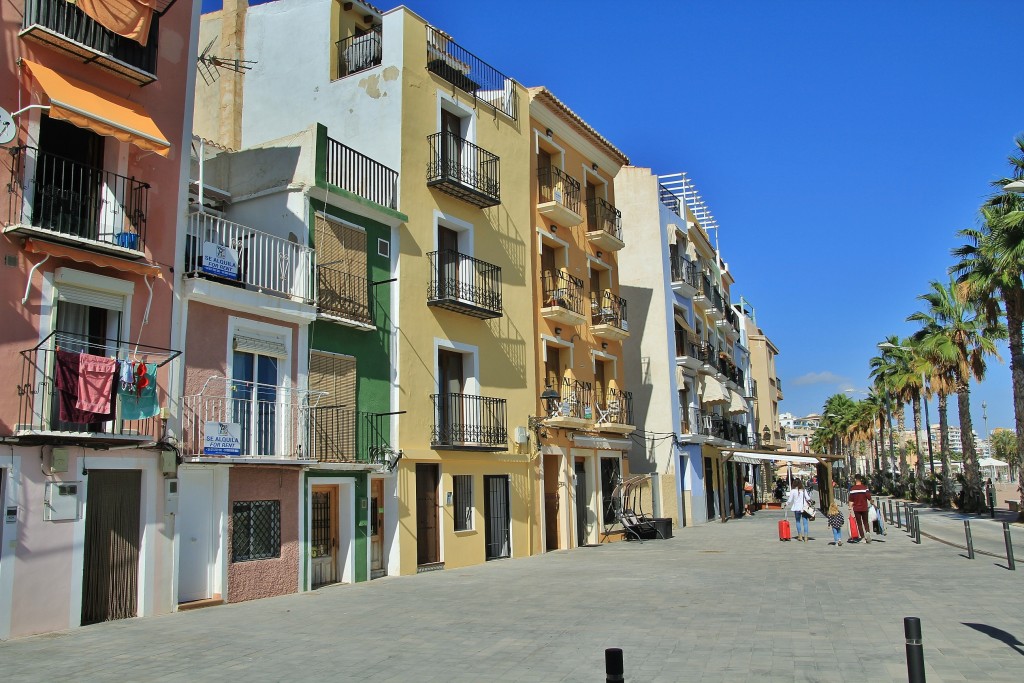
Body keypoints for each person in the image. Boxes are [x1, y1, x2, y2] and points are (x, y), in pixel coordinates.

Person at [849, 475, 872, 543]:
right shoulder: (865, 488)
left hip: (856, 509)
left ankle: (862, 537)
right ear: (860, 480)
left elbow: (851, 501)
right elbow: (869, 498)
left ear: (855, 480)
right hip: (864, 508)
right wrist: (873, 504)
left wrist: (850, 509)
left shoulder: (852, 489)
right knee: (865, 522)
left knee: (859, 523)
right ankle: (867, 532)